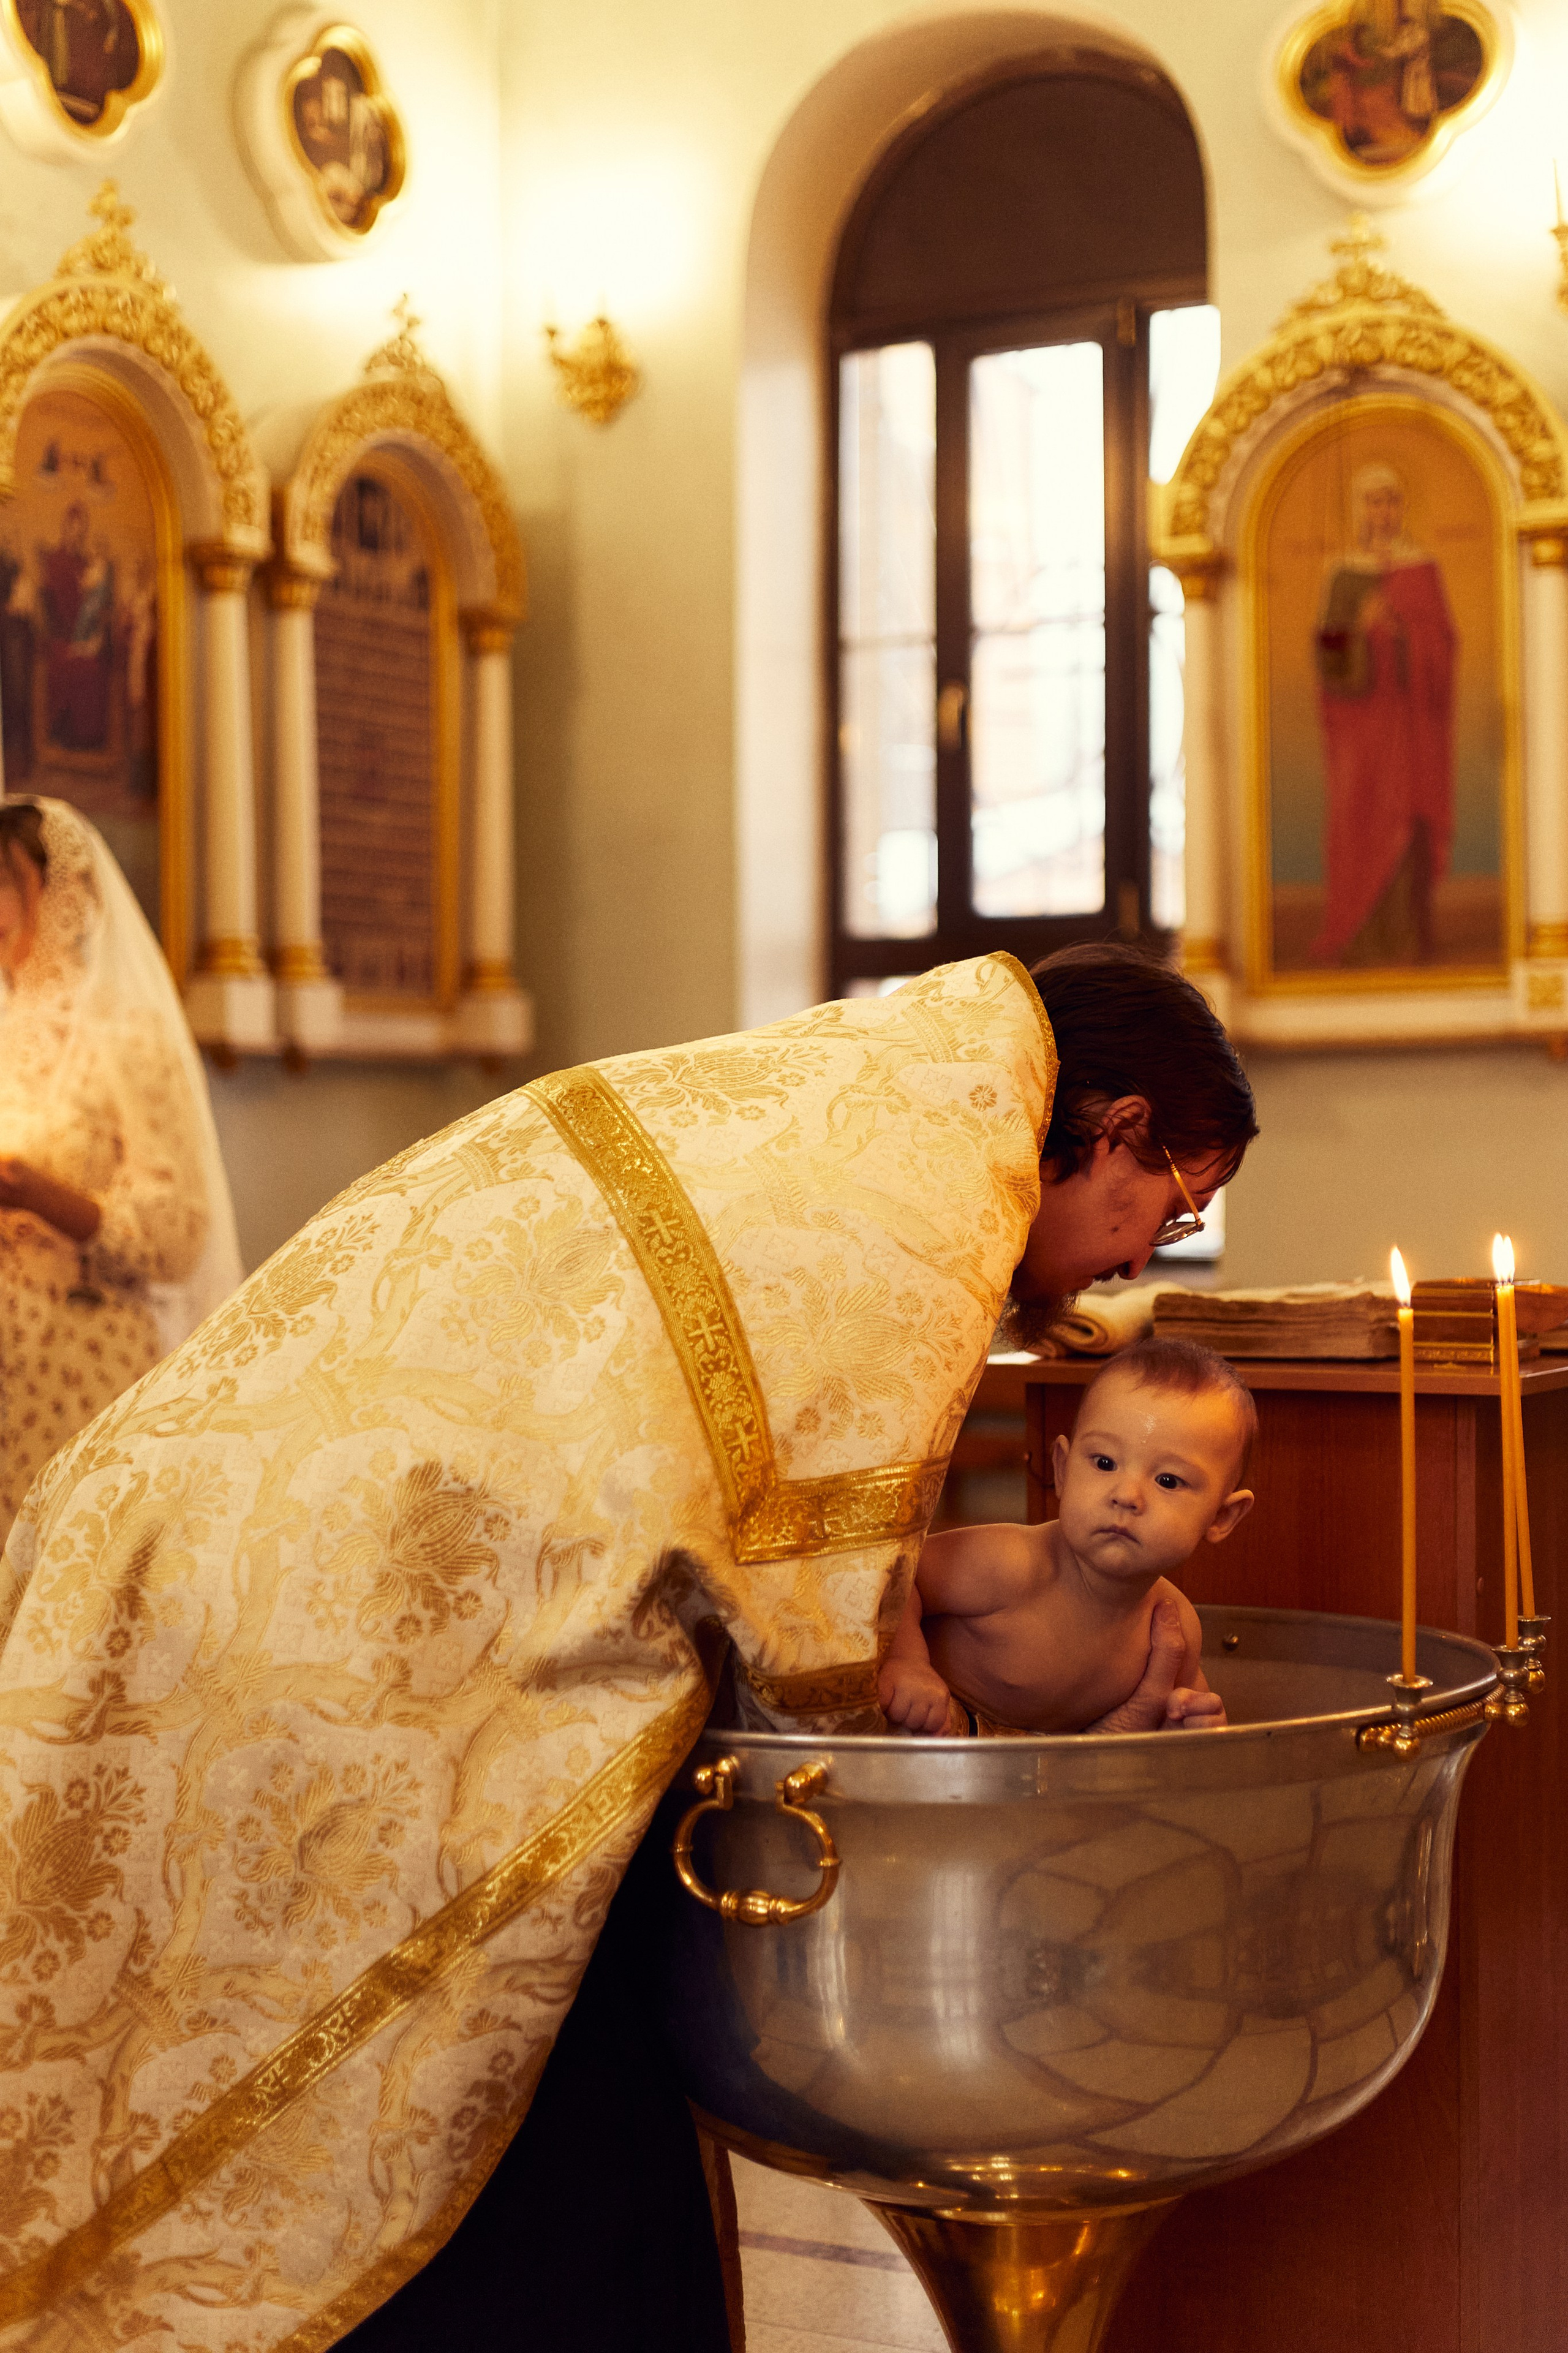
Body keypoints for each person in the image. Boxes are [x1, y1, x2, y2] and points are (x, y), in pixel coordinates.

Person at [0, 941, 1255, 2350]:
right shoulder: (914, 1189)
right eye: (1165, 1204)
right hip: (315, 1600)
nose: (1138, 1255)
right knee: (498, 2116)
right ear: (1120, 1126)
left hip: (244, 1533)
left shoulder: (832, 1106)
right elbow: (822, 1590)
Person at [0, 795, 241, 1545]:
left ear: (57, 891)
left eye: (4, 882)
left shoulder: (126, 1038)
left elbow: (178, 1234)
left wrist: (41, 1193)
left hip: (83, 1375)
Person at [878, 1337, 1255, 1739]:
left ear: (1221, 1516)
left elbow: (1175, 1715)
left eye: (1168, 1480)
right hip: (939, 1736)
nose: (1126, 1495)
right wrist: (908, 1662)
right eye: (1105, 1463)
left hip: (1043, 1771)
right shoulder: (1011, 1564)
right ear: (1062, 1469)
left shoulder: (1172, 1626)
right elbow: (897, 1576)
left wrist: (1192, 1721)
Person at [1311, 461, 1457, 967]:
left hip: (1411, 725)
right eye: (1373, 502)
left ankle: (1410, 942)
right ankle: (1363, 940)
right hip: (1360, 728)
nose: (1383, 512)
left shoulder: (1422, 568)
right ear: (1360, 510)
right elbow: (1328, 654)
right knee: (1362, 821)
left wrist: (1404, 636)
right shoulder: (1343, 572)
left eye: (1391, 500)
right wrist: (1360, 628)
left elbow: (1443, 645)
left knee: (1408, 825)